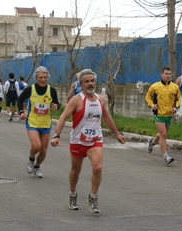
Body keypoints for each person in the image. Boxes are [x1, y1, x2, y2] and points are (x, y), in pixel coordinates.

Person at [50, 69, 126, 213]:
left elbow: (106, 117)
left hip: (95, 140)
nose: (90, 84)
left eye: (92, 81)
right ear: (81, 84)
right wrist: (57, 136)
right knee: (75, 171)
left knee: (97, 167)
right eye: (87, 81)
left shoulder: (100, 99)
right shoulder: (76, 100)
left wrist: (116, 133)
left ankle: (93, 197)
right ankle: (72, 194)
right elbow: (63, 117)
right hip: (78, 140)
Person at [17, 66, 61, 178]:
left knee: (43, 150)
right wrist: (21, 111)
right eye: (40, 77)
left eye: (45, 77)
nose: (43, 80)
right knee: (36, 146)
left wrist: (56, 106)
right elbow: (20, 99)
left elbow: (56, 103)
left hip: (45, 124)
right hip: (32, 122)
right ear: (36, 78)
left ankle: (37, 167)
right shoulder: (29, 89)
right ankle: (31, 158)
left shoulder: (51, 90)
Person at [145, 66, 181, 165]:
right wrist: (152, 105)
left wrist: (176, 107)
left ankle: (152, 142)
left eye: (169, 74)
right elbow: (147, 97)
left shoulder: (175, 87)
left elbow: (178, 99)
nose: (168, 76)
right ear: (162, 74)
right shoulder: (155, 86)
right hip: (159, 114)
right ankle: (166, 156)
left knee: (162, 134)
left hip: (169, 114)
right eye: (166, 74)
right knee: (163, 134)